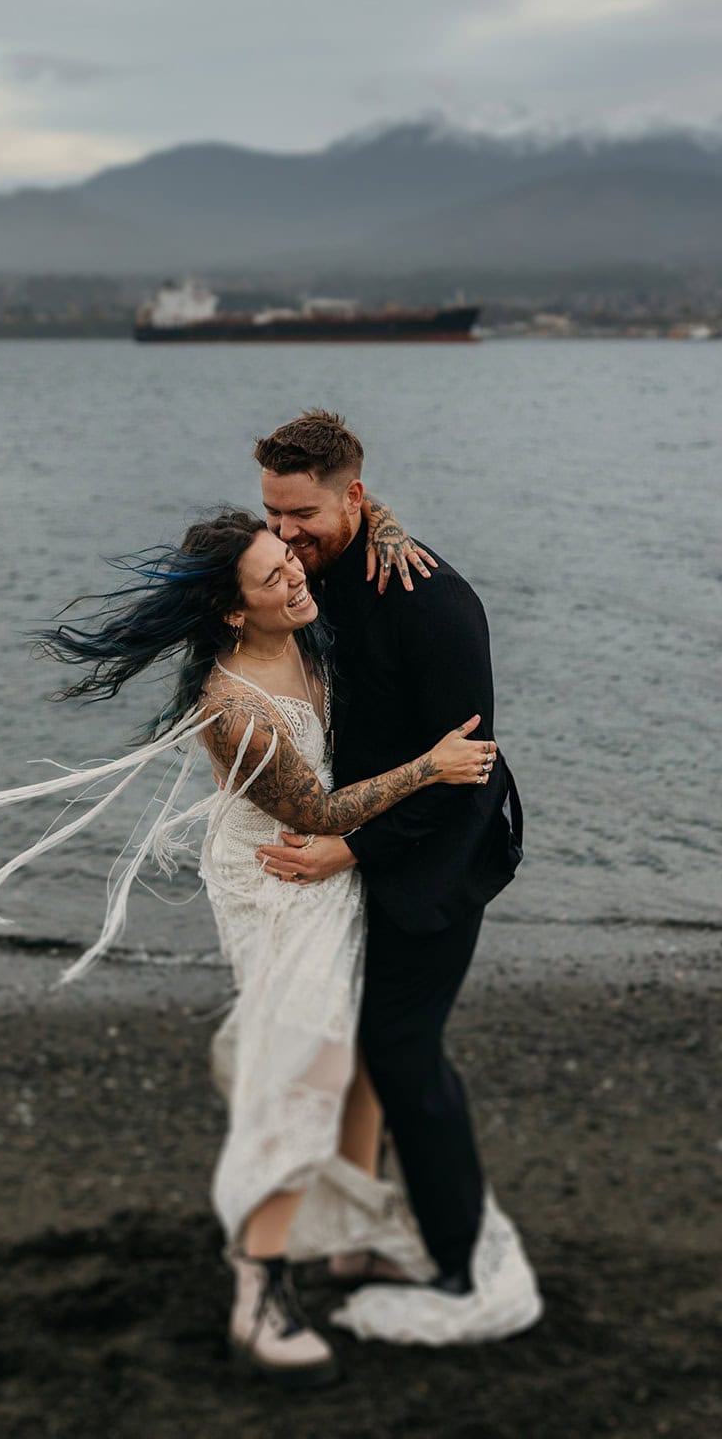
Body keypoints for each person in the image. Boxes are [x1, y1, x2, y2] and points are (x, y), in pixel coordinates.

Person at [0, 506, 496, 1390]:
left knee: (354, 1060)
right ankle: (258, 1290)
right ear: (230, 611)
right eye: (272, 574)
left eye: (289, 556)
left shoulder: (298, 616)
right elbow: (318, 816)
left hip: (331, 872)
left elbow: (331, 507)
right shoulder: (233, 707)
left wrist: (388, 525)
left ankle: (352, 1243)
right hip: (282, 879)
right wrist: (429, 768)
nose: (294, 573)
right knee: (303, 1074)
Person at [253, 410, 542, 1345]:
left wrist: (352, 850)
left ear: (355, 498)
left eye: (301, 515)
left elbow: (470, 773)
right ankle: (354, 1233)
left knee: (402, 1051)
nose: (283, 535)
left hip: (435, 862)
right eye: (272, 514)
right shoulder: (314, 568)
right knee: (339, 1045)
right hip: (349, 843)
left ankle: (458, 1263)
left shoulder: (431, 601)